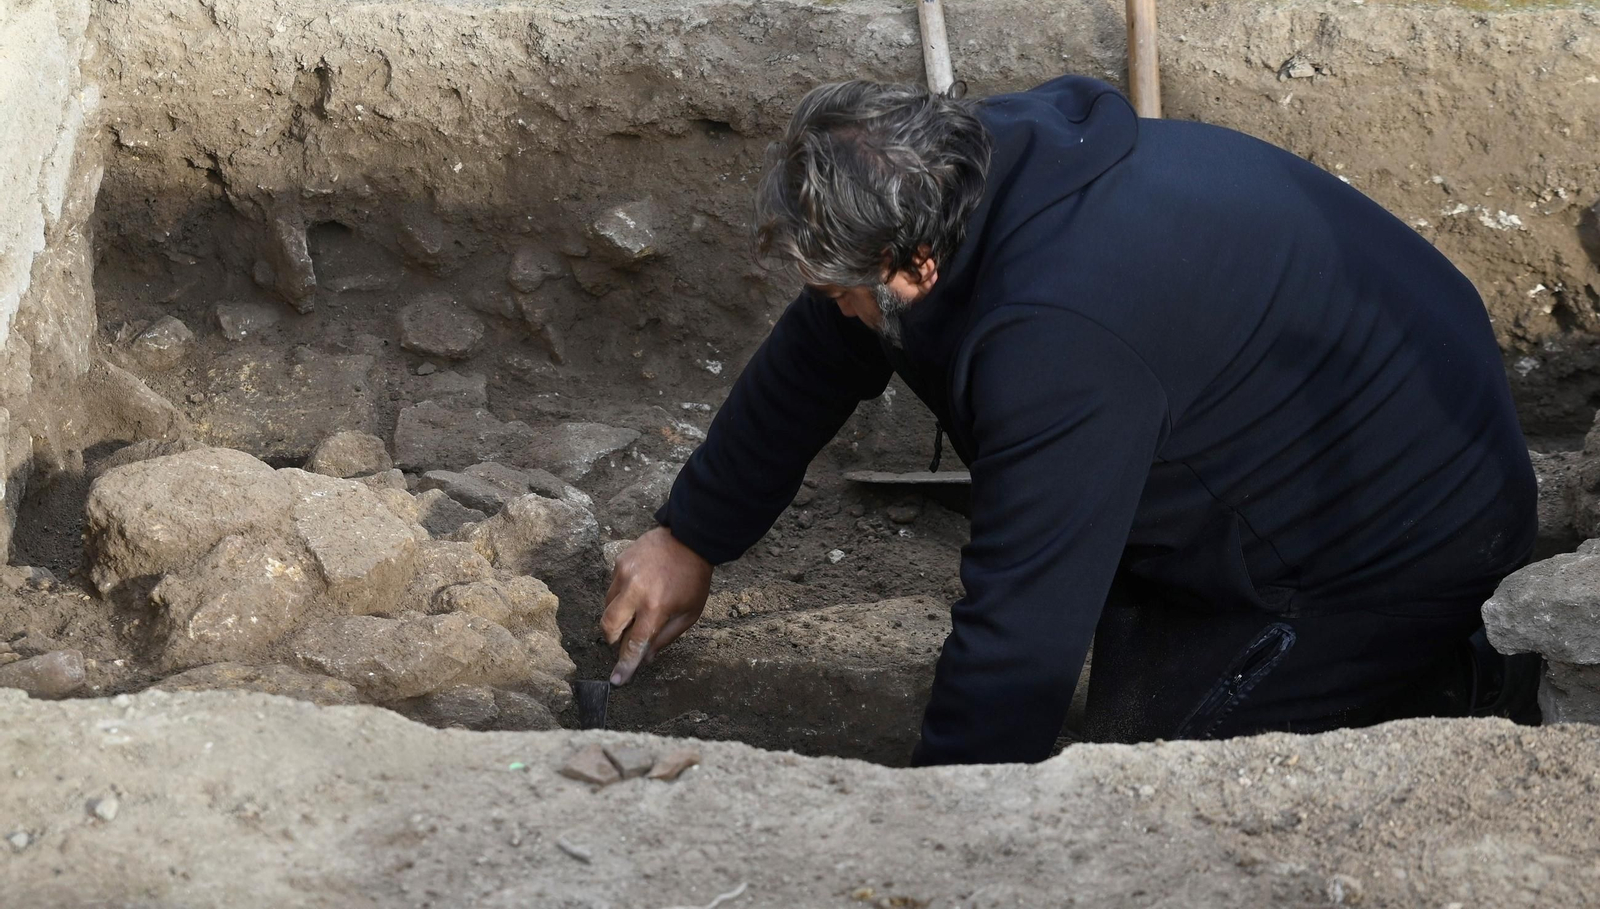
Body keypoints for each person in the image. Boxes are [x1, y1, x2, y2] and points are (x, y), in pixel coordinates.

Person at [600, 74, 1539, 766]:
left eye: (842, 290)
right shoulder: (970, 164)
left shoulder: (1057, 340)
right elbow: (823, 348)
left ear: (916, 267)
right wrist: (692, 536)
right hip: (1282, 428)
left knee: (1153, 785)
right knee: (1121, 718)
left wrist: (933, 828)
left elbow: (1021, 631)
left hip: (1395, 533)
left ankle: (1449, 685)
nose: (830, 309)